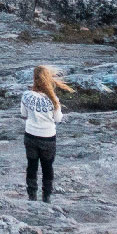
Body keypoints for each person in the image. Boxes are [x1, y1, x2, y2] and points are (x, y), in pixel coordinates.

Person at [20, 64, 72, 204]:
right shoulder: (53, 99)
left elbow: (23, 114)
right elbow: (58, 119)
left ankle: (32, 196)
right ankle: (46, 197)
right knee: (47, 167)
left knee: (32, 165)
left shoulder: (26, 95)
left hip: (30, 135)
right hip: (48, 137)